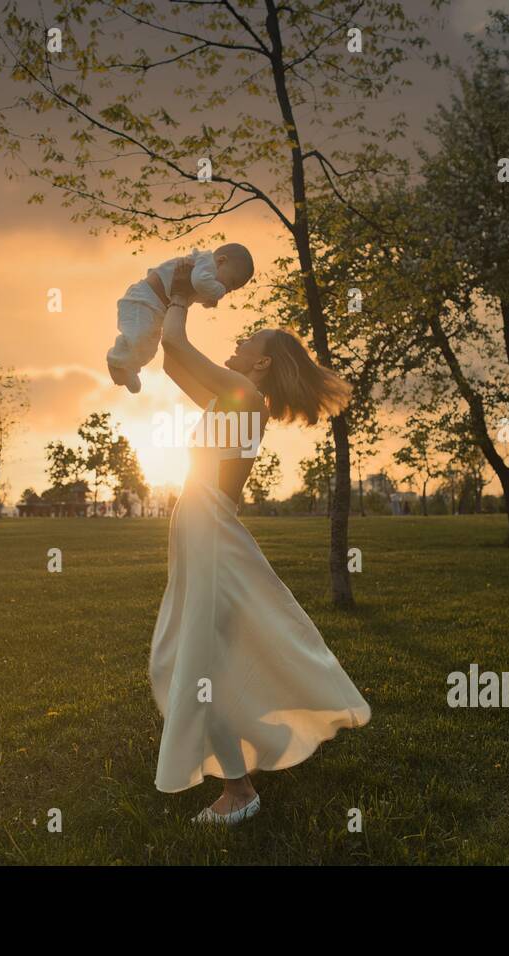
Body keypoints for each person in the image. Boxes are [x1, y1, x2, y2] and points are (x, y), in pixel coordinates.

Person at [148, 259, 371, 825]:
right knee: (196, 662)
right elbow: (173, 359)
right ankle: (239, 780)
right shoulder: (235, 399)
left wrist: (179, 291)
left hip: (208, 526)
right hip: (201, 523)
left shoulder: (243, 394)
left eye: (247, 340)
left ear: (261, 362)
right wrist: (173, 304)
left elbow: (174, 341)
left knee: (190, 663)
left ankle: (239, 791)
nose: (238, 342)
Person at [107, 243, 254, 394]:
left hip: (157, 310)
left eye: (232, 289)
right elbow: (199, 282)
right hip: (143, 300)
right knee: (138, 336)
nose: (228, 289)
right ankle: (117, 361)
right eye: (231, 282)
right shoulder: (206, 262)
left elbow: (194, 289)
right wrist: (218, 292)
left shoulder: (205, 273)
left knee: (149, 346)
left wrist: (207, 300)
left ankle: (131, 367)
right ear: (221, 261)